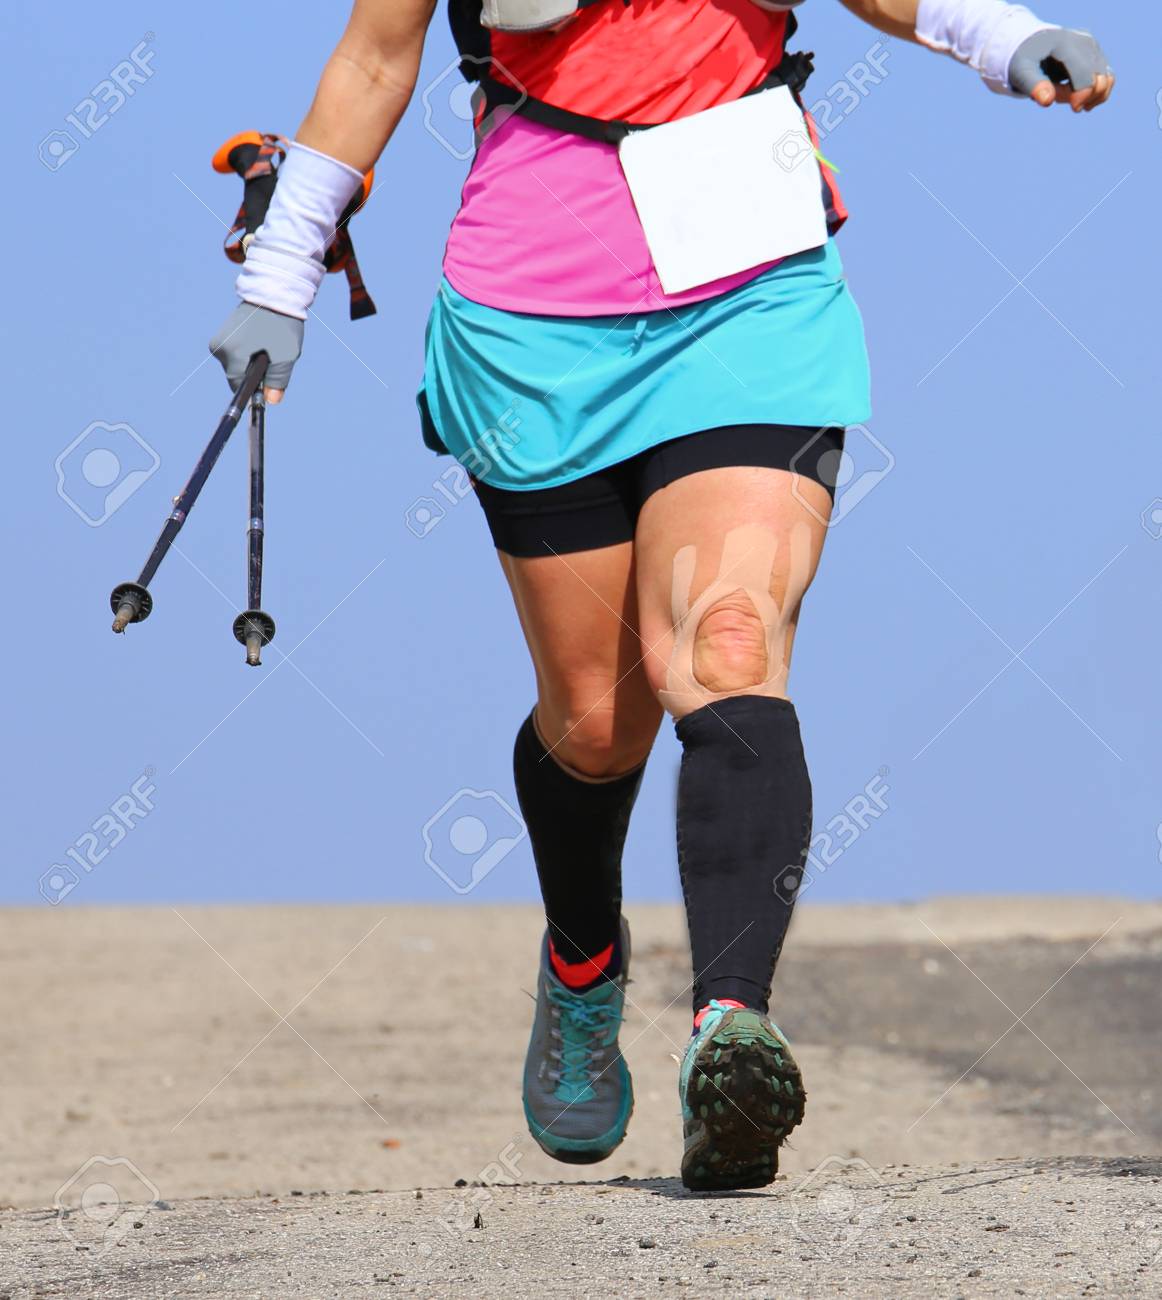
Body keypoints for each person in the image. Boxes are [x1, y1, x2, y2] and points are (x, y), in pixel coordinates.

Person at [210, 0, 1114, 1192]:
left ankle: (728, 1030)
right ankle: (583, 961)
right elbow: (377, 55)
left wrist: (999, 36)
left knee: (727, 644)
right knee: (596, 720)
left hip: (747, 288)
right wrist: (280, 277)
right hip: (530, 316)